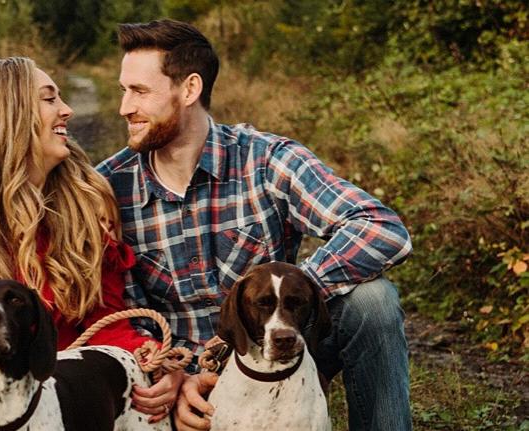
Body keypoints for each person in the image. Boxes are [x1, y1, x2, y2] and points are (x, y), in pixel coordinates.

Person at [96, 19, 414, 431]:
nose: (124, 107)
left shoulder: (265, 160)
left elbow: (381, 227)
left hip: (281, 343)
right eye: (123, 91)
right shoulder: (110, 186)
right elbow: (125, 310)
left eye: (139, 91)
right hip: (183, 375)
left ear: (189, 89)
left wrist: (302, 287)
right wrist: (173, 374)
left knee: (373, 301)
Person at [0, 57, 183, 431]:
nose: (67, 110)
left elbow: (103, 320)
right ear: (8, 115)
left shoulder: (88, 201)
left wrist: (148, 357)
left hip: (63, 380)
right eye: (49, 99)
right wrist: (2, 412)